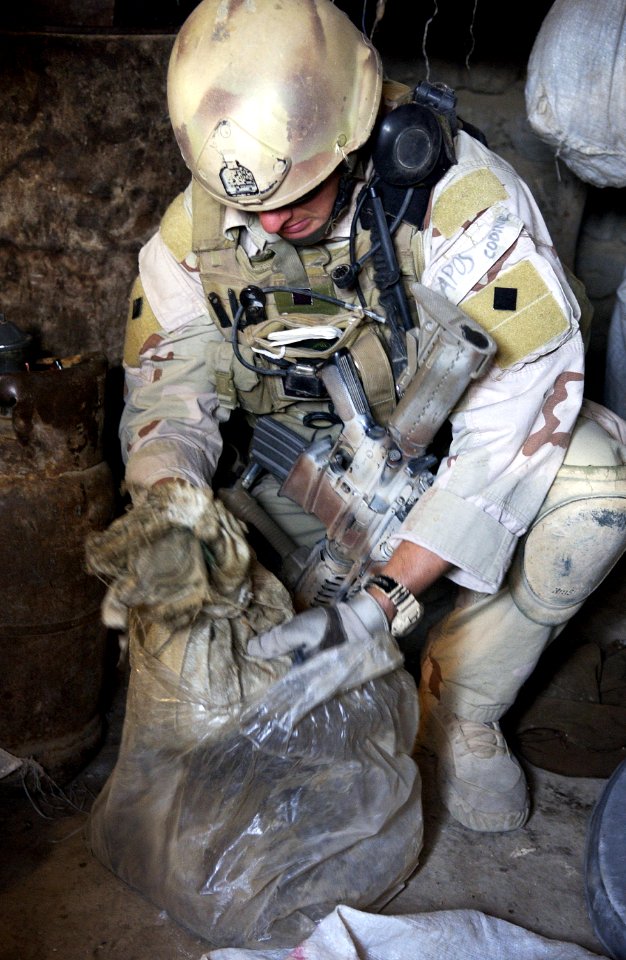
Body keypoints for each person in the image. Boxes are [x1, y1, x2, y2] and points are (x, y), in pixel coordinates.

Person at [89, 0, 626, 835]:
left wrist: (379, 603)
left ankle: (458, 705)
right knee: (170, 566)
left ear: (362, 130)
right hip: (289, 500)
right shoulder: (190, 233)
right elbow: (167, 396)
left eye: (297, 193)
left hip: (438, 492)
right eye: (254, 206)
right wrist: (171, 507)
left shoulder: (462, 205)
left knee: (599, 491)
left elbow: (518, 418)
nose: (272, 223)